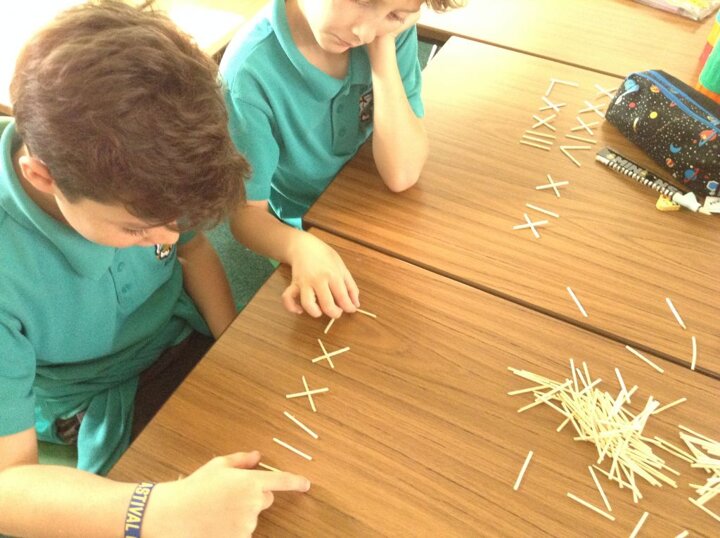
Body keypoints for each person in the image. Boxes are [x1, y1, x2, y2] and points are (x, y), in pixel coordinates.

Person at [0, 3, 309, 536]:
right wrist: (155, 510)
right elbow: (9, 485)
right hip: (97, 392)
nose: (166, 237)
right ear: (42, 176)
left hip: (178, 332)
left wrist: (232, 344)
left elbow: (192, 251)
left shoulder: (150, 177)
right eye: (137, 230)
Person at [220, 0, 461, 226]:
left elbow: (402, 174)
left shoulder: (388, 33)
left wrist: (383, 51)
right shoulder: (246, 75)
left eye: (395, 15)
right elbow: (247, 216)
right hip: (310, 219)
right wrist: (299, 247)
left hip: (376, 194)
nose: (365, 34)